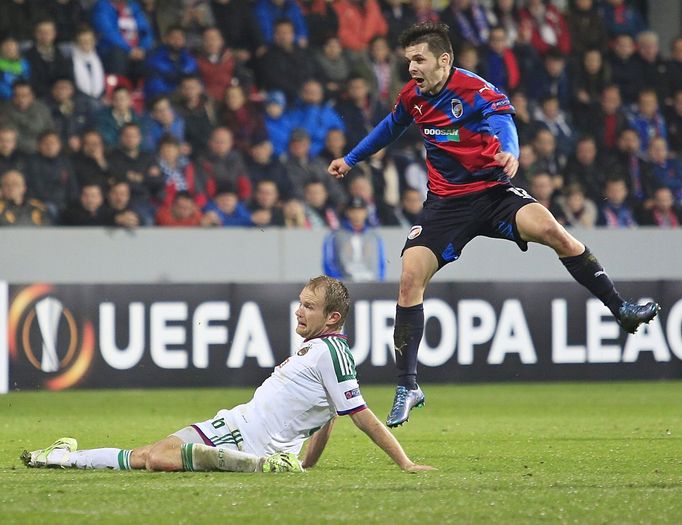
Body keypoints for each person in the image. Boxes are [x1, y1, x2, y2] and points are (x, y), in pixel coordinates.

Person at [327, 22, 660, 428]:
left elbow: (504, 124)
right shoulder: (412, 97)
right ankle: (407, 385)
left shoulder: (477, 90)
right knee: (409, 277)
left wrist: (510, 152)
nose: (412, 67)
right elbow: (388, 128)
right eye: (408, 60)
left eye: (420, 59)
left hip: (493, 193)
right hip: (446, 204)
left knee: (555, 232)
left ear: (443, 59)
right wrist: (352, 159)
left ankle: (620, 309)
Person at [21, 276, 433, 474]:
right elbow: (329, 416)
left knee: (154, 460)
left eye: (309, 306)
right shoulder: (321, 351)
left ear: (333, 317)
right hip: (233, 423)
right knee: (144, 455)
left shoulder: (332, 351)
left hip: (246, 436)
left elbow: (360, 416)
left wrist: (406, 464)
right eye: (301, 302)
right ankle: (60, 458)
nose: (299, 310)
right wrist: (306, 466)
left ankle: (248, 464)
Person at [323, 197, 386, 282]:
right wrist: (337, 284)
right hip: (345, 285)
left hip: (371, 285)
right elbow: (329, 262)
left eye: (360, 211)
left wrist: (379, 282)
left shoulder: (374, 236)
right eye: (353, 211)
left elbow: (380, 262)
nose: (357, 215)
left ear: (366, 212)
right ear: (347, 213)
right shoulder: (336, 235)